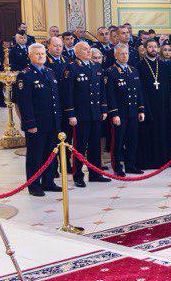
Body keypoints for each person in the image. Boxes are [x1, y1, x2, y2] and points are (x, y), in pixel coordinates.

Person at [14, 43, 63, 196]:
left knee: (50, 154)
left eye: (42, 53)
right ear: (30, 56)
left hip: (52, 122)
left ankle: (48, 182)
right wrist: (29, 123)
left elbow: (55, 98)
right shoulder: (25, 75)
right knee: (35, 156)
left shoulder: (49, 72)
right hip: (36, 124)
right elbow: (24, 103)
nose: (41, 56)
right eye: (37, 54)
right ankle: (34, 185)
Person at [64, 41, 110, 187]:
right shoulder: (72, 67)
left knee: (95, 145)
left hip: (95, 113)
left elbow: (101, 90)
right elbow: (68, 93)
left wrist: (104, 109)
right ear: (77, 52)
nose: (88, 51)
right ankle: (78, 175)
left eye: (89, 49)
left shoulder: (96, 67)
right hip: (81, 114)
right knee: (80, 146)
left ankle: (95, 174)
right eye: (84, 49)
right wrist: (71, 113)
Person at [136, 38, 171, 171]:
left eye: (155, 46)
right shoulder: (139, 66)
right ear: (145, 49)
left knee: (164, 130)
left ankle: (166, 160)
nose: (153, 49)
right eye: (150, 47)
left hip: (164, 105)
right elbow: (139, 89)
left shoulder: (164, 66)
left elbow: (169, 87)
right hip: (148, 105)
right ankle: (150, 162)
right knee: (149, 132)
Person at [106, 43, 144, 176]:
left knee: (132, 140)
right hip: (120, 113)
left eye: (126, 53)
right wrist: (114, 114)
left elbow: (138, 92)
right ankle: (117, 167)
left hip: (133, 111)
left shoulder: (133, 70)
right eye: (121, 53)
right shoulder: (111, 72)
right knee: (118, 141)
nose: (125, 56)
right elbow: (110, 95)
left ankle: (130, 165)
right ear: (115, 55)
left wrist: (141, 109)